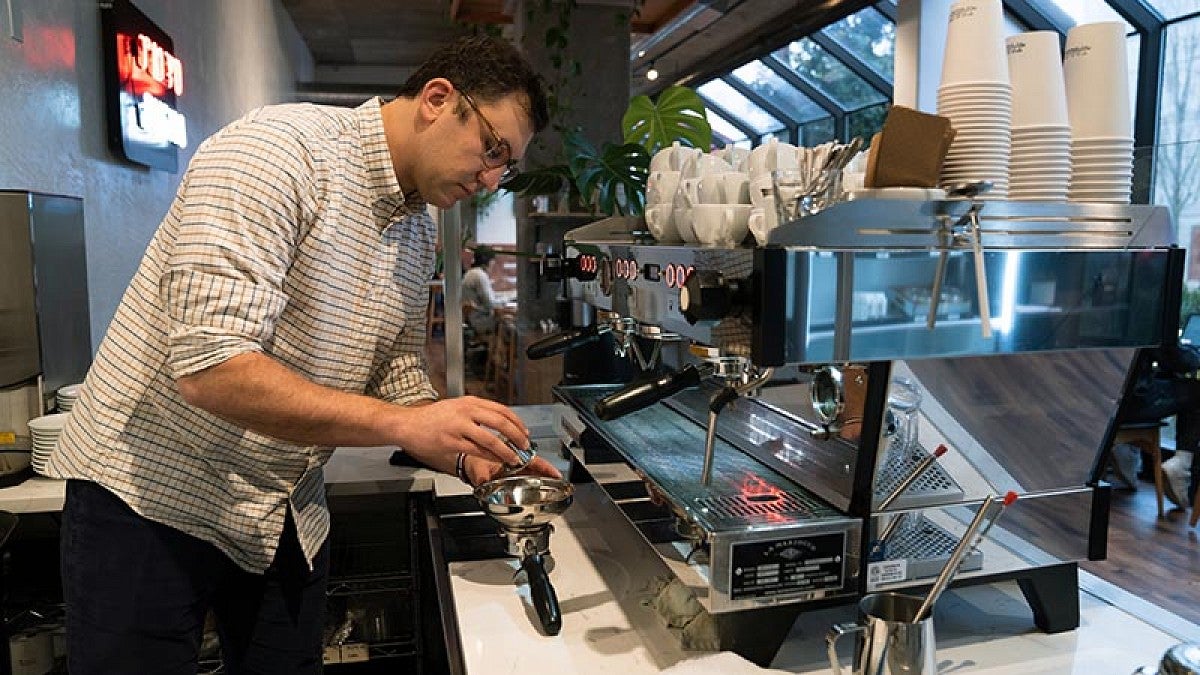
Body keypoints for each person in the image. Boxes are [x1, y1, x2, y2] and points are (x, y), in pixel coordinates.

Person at [44, 35, 556, 674]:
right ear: (437, 99)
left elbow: (394, 362)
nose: (489, 180)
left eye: (504, 167)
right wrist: (404, 424)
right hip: (150, 498)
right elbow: (211, 367)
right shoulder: (275, 153)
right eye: (492, 149)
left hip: (280, 506)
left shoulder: (417, 225)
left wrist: (458, 443)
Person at [462, 247, 498, 335]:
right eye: (492, 261)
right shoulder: (479, 275)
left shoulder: (472, 273)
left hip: (472, 319)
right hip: (480, 320)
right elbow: (490, 303)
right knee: (514, 324)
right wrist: (507, 302)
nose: (493, 265)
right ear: (488, 261)